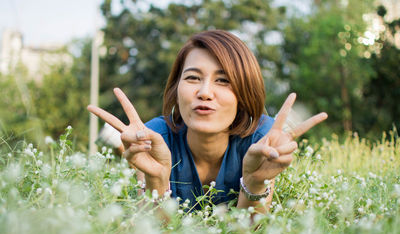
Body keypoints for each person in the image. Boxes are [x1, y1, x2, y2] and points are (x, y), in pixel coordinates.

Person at [87, 30, 327, 213]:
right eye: (192, 77)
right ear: (176, 89)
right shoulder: (153, 138)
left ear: (245, 93)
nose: (204, 92)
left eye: (223, 81)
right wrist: (157, 180)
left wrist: (255, 183)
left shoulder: (262, 138)